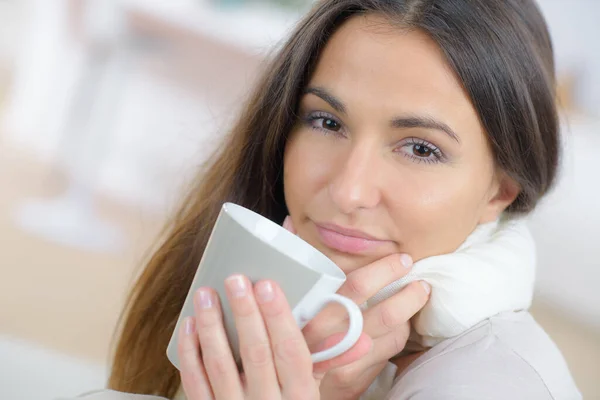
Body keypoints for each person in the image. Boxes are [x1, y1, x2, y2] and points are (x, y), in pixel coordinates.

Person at [64, 0, 582, 399]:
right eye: (326, 121)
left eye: (421, 148)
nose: (348, 190)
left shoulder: (489, 385)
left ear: (502, 189)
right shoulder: (271, 300)